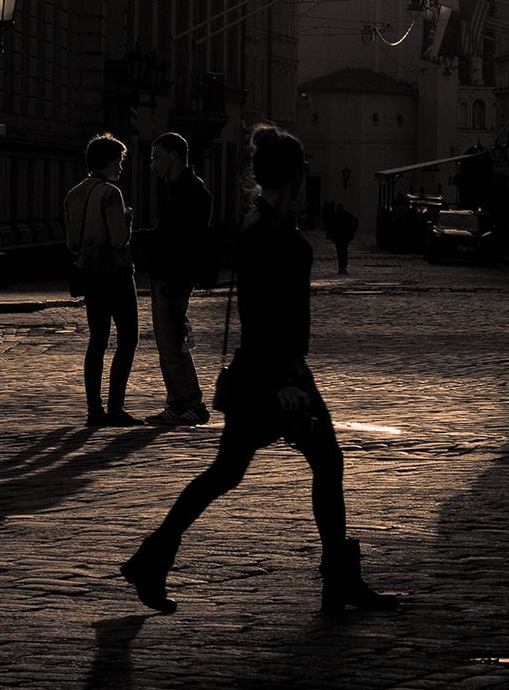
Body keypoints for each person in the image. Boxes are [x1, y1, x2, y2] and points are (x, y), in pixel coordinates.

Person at [119, 125, 397, 615]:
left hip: (267, 370)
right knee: (310, 464)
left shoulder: (262, 226)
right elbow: (266, 316)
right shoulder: (268, 234)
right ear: (290, 178)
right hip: (275, 373)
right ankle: (335, 579)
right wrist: (286, 385)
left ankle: (153, 558)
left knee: (239, 471)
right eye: (302, 174)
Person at [132, 133, 213, 428]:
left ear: (175, 155)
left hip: (173, 274)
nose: (152, 164)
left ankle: (191, 403)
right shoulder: (179, 189)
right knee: (167, 342)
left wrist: (132, 237)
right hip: (168, 272)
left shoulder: (189, 191)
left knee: (172, 342)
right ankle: (177, 402)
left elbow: (172, 237)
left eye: (157, 157)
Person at [64, 133, 139, 427]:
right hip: (116, 275)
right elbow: (119, 240)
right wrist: (127, 220)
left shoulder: (74, 193)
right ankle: (115, 408)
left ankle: (94, 409)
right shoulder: (110, 193)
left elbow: (72, 242)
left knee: (97, 340)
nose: (121, 167)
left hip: (89, 275)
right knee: (127, 339)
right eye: (119, 160)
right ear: (108, 161)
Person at [327, 203, 358, 274]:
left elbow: (330, 226)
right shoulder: (347, 215)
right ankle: (343, 266)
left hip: (338, 237)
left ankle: (341, 266)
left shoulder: (335, 216)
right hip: (345, 236)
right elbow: (356, 220)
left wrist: (329, 235)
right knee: (344, 251)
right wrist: (353, 230)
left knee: (339, 251)